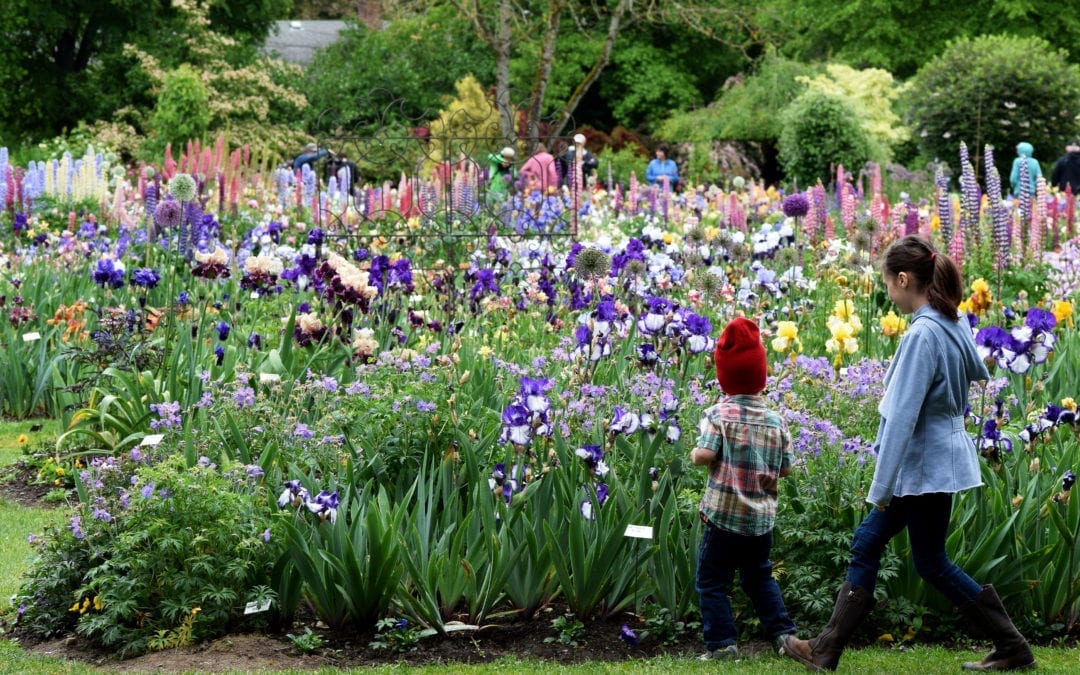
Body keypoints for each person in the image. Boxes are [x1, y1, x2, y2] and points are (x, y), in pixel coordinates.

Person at [782, 235, 1035, 673]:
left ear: (903, 279)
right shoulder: (951, 322)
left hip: (920, 463)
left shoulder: (922, 333)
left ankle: (827, 648)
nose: (887, 293)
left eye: (888, 284)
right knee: (901, 552)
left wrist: (881, 487)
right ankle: (827, 648)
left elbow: (901, 418)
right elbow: (972, 372)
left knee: (912, 557)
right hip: (937, 459)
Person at [691, 316, 798, 661]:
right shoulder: (776, 421)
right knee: (759, 577)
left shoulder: (718, 414)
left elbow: (705, 454)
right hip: (760, 522)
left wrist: (695, 453)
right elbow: (785, 469)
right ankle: (784, 636)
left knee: (712, 581)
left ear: (724, 378)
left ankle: (723, 644)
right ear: (761, 378)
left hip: (723, 518)